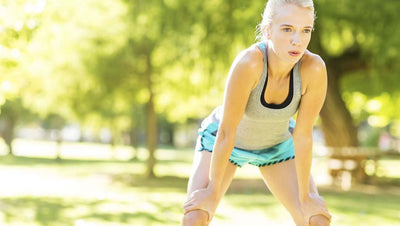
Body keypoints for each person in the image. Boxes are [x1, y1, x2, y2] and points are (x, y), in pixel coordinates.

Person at [181, 0, 332, 225]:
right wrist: (212, 190)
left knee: (315, 220)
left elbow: (302, 136)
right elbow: (226, 132)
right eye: (287, 29)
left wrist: (306, 197)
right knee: (195, 216)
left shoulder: (314, 69)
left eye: (305, 30)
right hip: (224, 142)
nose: (297, 40)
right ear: (267, 30)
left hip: (276, 147)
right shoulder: (250, 63)